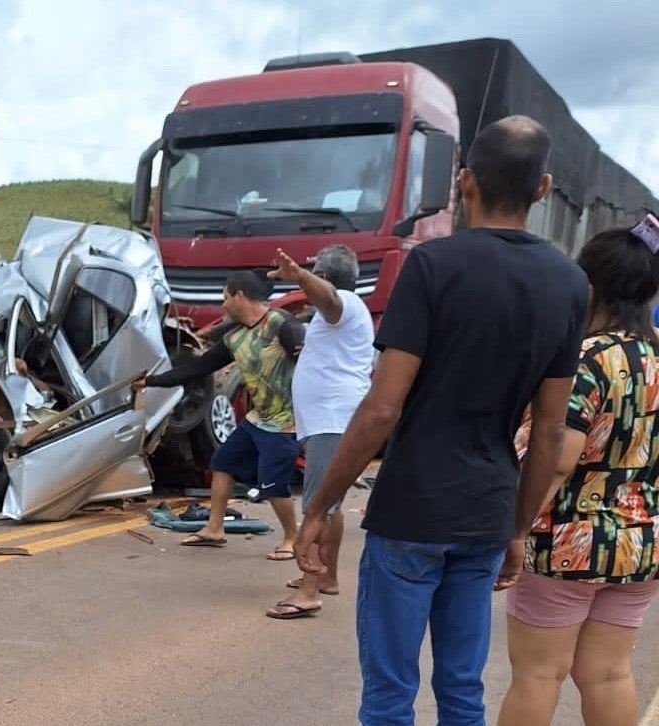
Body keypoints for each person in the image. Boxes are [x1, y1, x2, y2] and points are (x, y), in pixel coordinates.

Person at [290, 115, 589, 725]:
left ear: (465, 181)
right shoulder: (569, 283)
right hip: (485, 513)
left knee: (390, 696)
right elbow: (551, 431)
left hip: (411, 512)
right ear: (542, 188)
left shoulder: (431, 267)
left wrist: (320, 507)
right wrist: (516, 526)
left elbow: (380, 410)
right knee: (461, 690)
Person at [498, 216, 659, 726]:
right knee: (609, 672)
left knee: (538, 674)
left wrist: (516, 529)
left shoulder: (586, 359)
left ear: (588, 286)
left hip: (569, 539)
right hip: (643, 542)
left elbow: (557, 458)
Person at [137, 270, 304, 557]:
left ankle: (293, 539)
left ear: (240, 295)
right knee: (223, 463)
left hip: (287, 423)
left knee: (272, 484)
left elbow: (313, 364)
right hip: (258, 420)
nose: (223, 304)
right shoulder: (236, 336)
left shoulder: (282, 325)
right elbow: (197, 369)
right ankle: (215, 528)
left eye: (225, 297)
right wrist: (150, 381)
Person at [263, 244, 374, 619]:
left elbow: (327, 297)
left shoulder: (342, 303)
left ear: (323, 278)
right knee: (331, 503)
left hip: (334, 421)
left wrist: (300, 277)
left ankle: (309, 591)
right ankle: (326, 577)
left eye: (314, 276)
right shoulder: (335, 318)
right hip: (332, 421)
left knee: (316, 507)